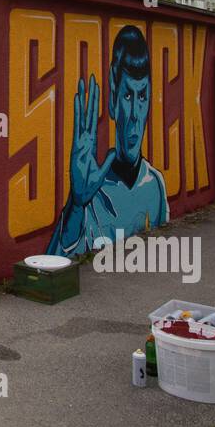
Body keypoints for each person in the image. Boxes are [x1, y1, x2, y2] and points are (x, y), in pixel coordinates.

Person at [46, 25, 168, 258]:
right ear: (113, 99)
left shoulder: (155, 185)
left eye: (142, 96)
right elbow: (51, 264)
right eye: (127, 95)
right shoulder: (93, 193)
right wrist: (76, 204)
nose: (134, 114)